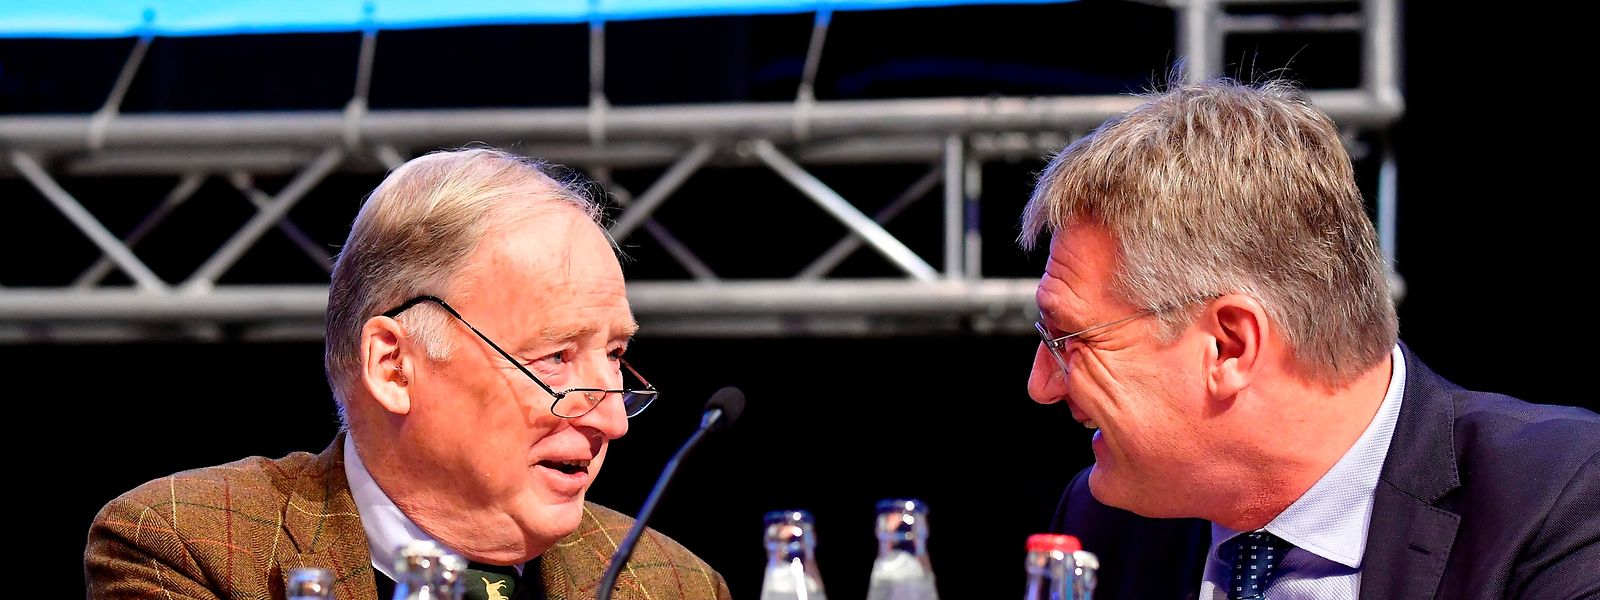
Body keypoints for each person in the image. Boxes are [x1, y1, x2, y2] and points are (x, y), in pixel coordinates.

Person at [1021, 78, 1598, 599]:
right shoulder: (1106, 521)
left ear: (1229, 346)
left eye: (1072, 339)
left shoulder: (1564, 497)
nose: (1040, 385)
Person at [86, 148, 732, 599]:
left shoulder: (673, 584)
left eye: (615, 356)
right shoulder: (191, 546)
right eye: (555, 357)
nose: (612, 419)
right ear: (394, 366)